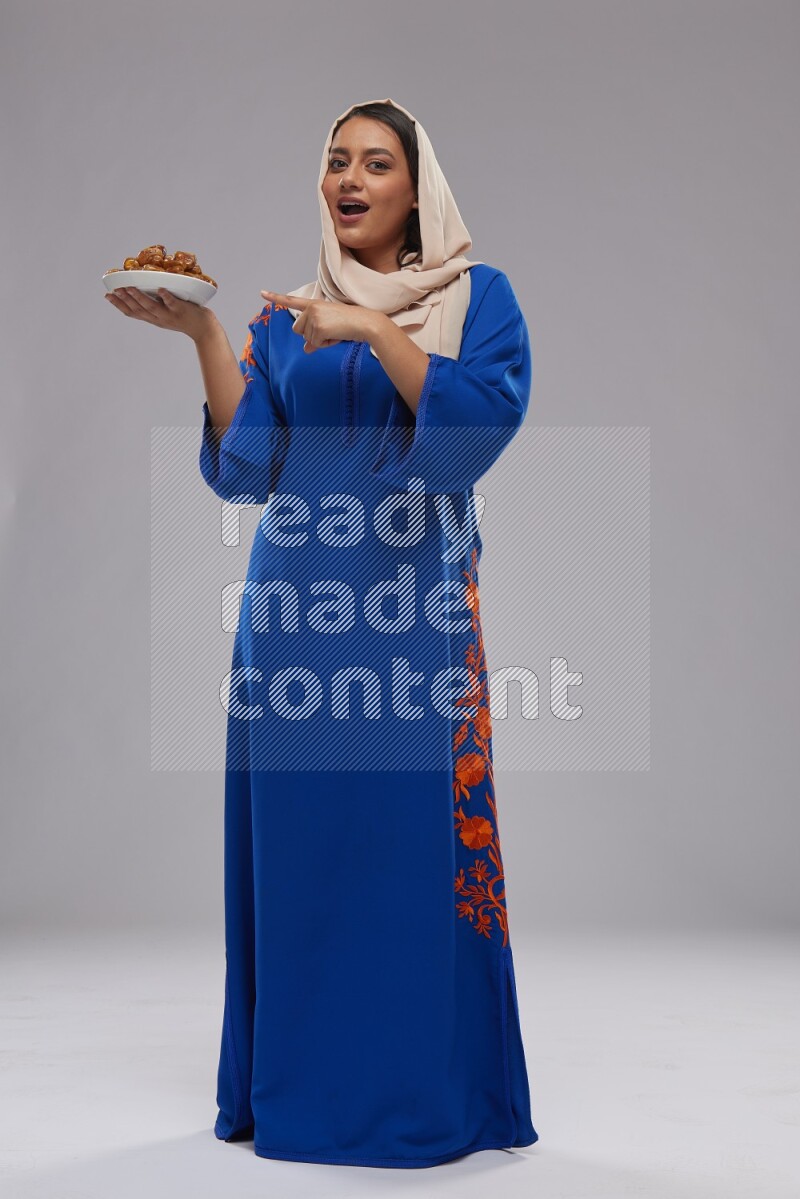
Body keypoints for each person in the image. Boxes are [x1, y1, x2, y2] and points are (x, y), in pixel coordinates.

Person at [106, 96, 539, 1169]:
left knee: (403, 851)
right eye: (334, 161)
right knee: (301, 853)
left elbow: (477, 425)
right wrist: (208, 331)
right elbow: (249, 465)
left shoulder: (475, 300)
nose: (347, 179)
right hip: (291, 620)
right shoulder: (288, 314)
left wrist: (377, 330)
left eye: (374, 162)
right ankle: (297, 1088)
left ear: (415, 189)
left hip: (409, 620)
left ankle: (419, 1092)